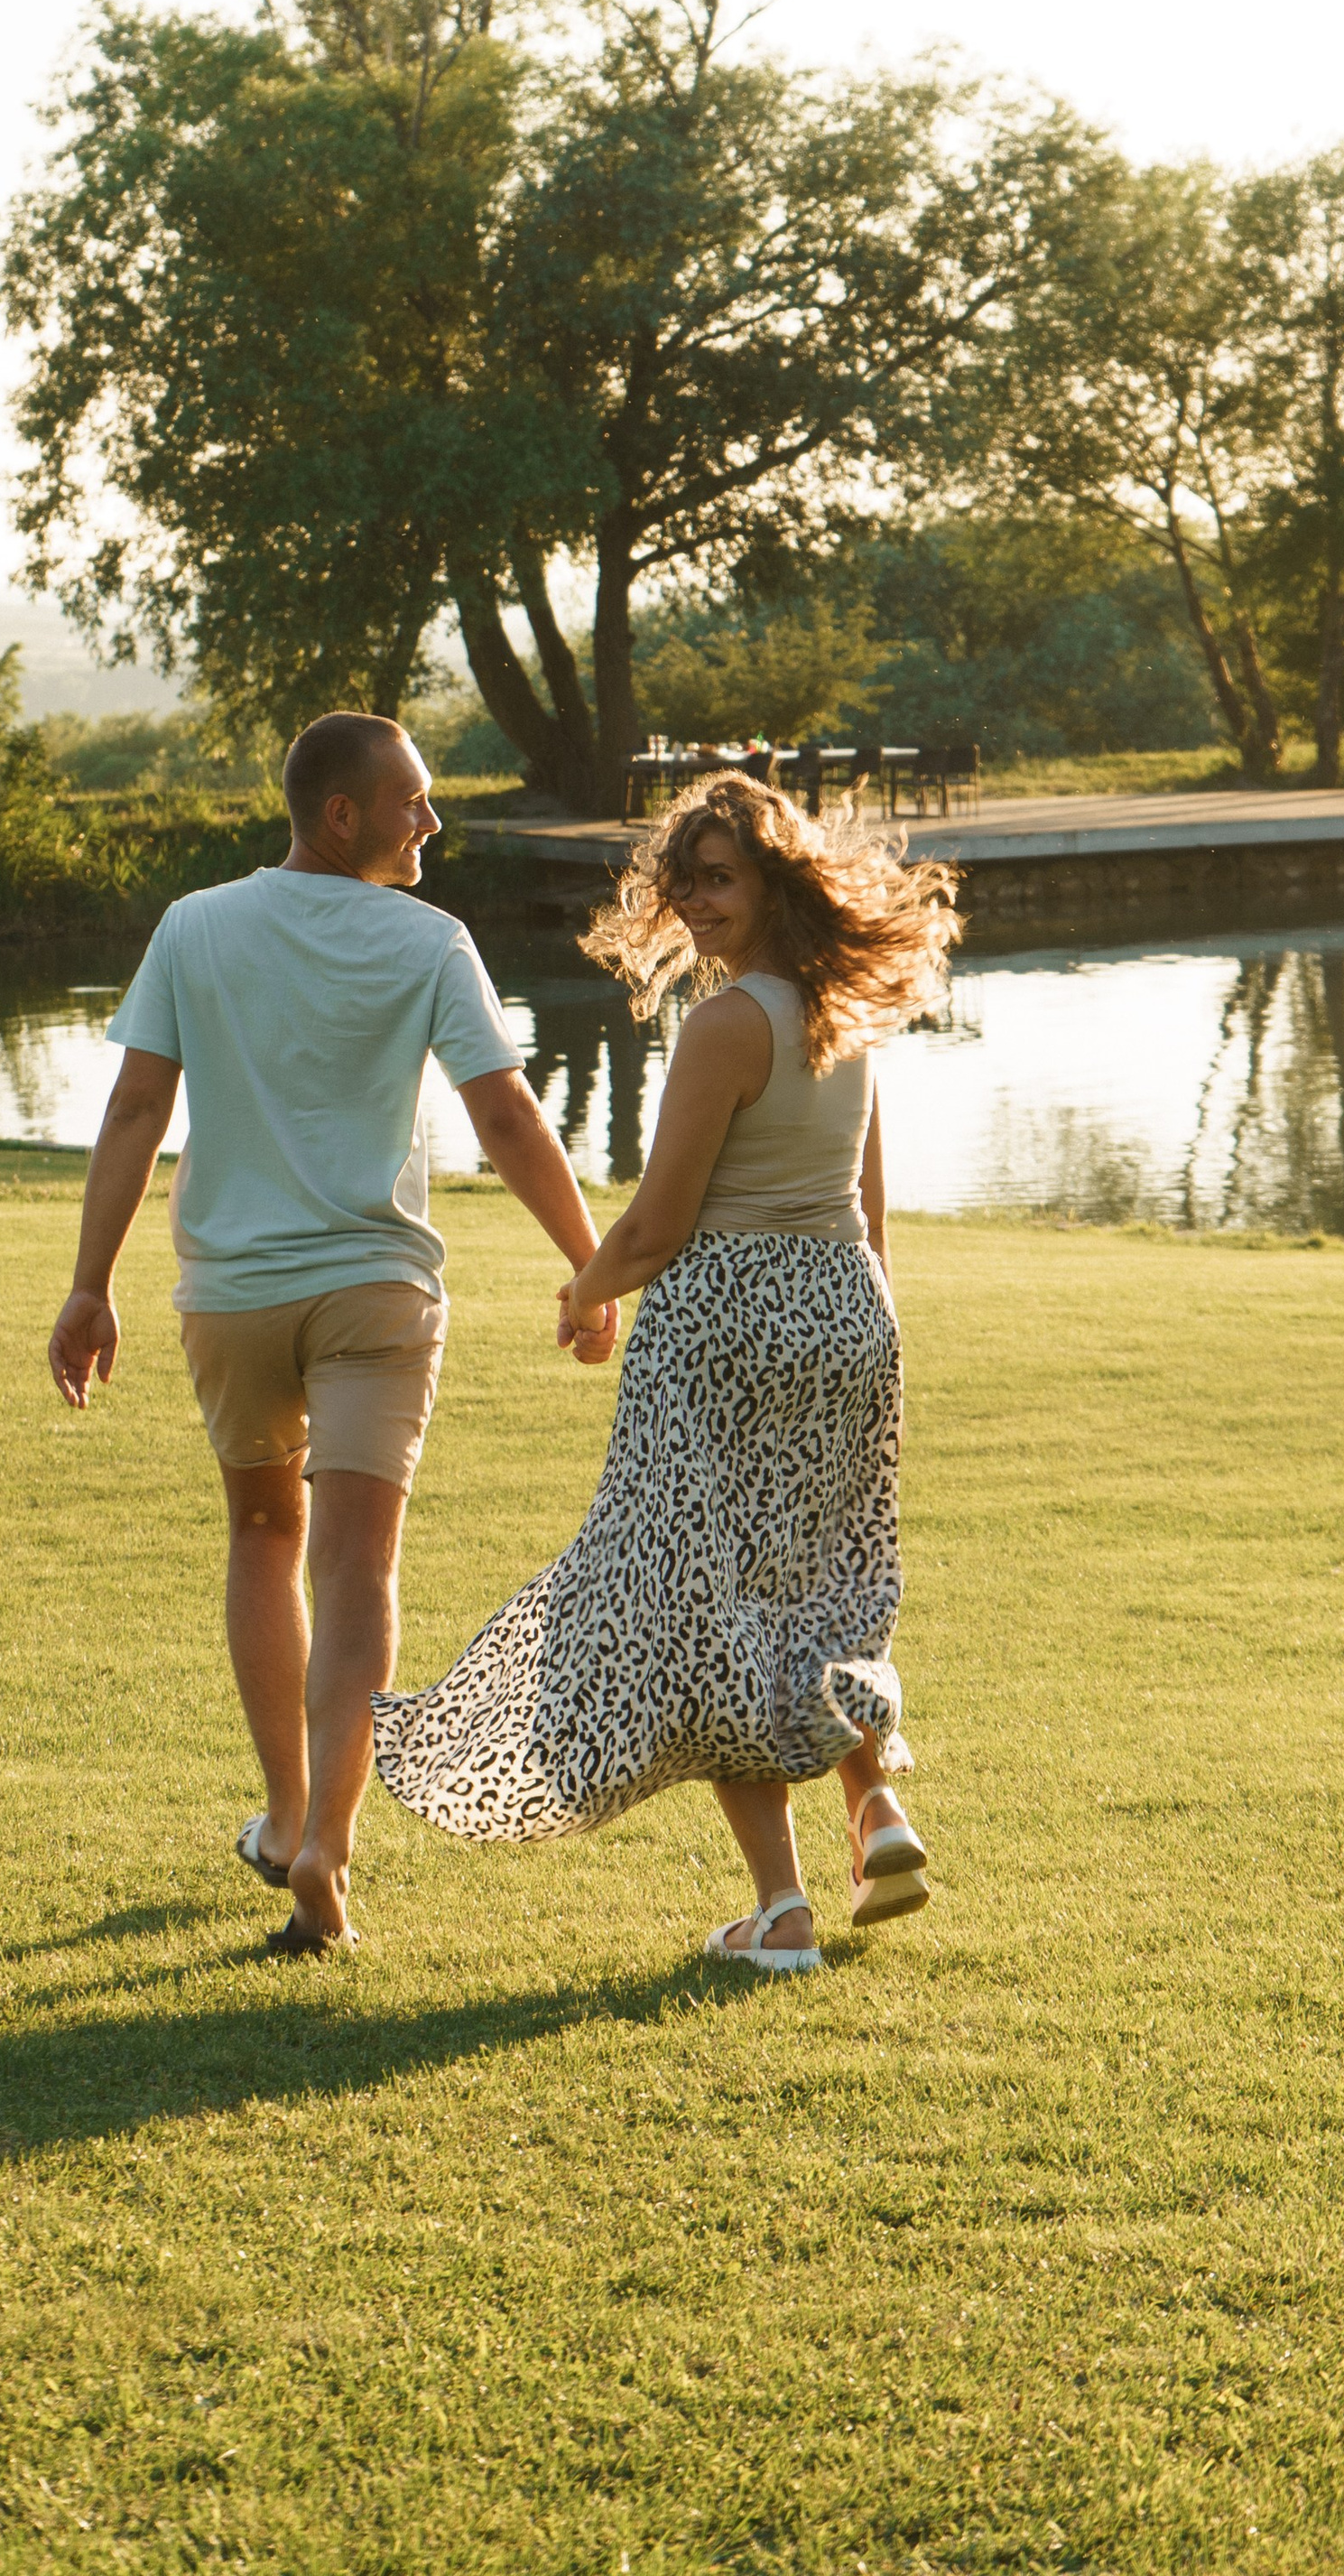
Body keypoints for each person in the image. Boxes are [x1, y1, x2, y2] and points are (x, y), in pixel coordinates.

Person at [44, 713, 616, 1958]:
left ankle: (288, 1810)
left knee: (262, 1535)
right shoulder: (430, 941)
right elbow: (507, 1116)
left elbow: (139, 1104)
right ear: (342, 813)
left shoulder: (195, 925)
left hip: (232, 1295)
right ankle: (327, 1850)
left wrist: (91, 1282)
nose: (433, 820)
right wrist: (589, 1263)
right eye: (412, 799)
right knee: (356, 1570)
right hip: (375, 1293)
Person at [372, 773, 960, 1972]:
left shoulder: (728, 1022)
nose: (691, 900)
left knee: (705, 1618)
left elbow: (657, 1223)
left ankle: (784, 1910)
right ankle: (875, 1807)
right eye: (679, 878)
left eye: (718, 878)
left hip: (725, 1332)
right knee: (817, 1587)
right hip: (850, 1316)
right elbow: (869, 1210)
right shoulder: (838, 1013)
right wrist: (865, 1324)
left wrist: (585, 1290)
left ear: (774, 884)